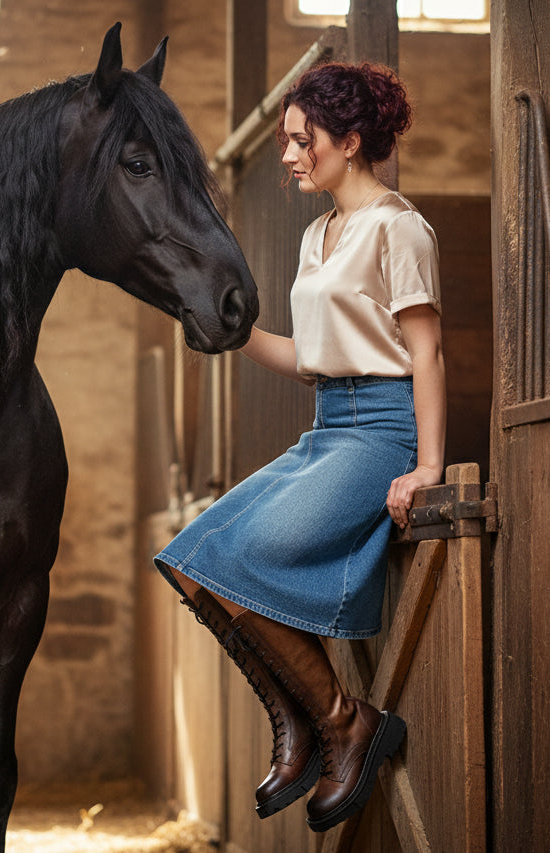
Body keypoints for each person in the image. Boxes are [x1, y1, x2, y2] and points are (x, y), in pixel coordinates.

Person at [154, 62, 445, 834]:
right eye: (284, 140)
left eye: (299, 140)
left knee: (247, 555)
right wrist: (234, 337)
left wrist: (426, 466)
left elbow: (425, 354)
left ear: (348, 140)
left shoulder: (398, 226)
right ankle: (308, 719)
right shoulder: (318, 233)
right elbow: (313, 357)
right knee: (188, 560)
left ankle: (344, 721)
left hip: (380, 431)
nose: (288, 156)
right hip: (325, 424)